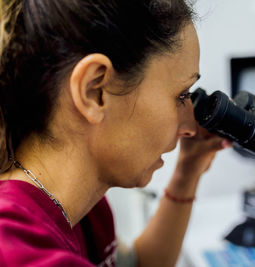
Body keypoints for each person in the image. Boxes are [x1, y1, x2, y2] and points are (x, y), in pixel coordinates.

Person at [0, 0, 231, 266]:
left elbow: (138, 264)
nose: (191, 127)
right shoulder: (18, 251)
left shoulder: (84, 209)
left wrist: (188, 170)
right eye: (181, 95)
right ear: (94, 91)